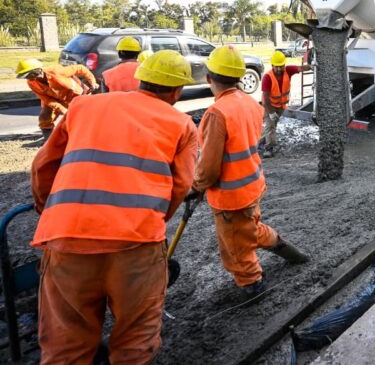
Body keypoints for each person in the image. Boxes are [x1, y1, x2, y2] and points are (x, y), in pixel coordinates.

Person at [30, 49, 198, 364]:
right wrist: (150, 220)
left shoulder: (83, 106)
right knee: (135, 342)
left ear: (141, 79)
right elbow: (180, 186)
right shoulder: (182, 124)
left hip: (67, 239)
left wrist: (49, 211)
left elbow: (43, 167)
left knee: (65, 346)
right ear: (177, 91)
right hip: (136, 246)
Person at [190, 45, 309, 298]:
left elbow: (209, 166)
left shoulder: (216, 113)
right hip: (252, 185)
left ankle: (251, 283)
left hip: (230, 196)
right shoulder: (249, 103)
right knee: (250, 228)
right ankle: (286, 249)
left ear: (209, 78)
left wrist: (196, 187)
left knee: (236, 246)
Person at [16, 58, 98, 141]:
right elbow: (46, 99)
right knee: (45, 118)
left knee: (83, 117)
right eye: (26, 76)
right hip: (55, 100)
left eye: (28, 75)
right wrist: (62, 109)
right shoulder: (32, 83)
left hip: (76, 96)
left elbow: (80, 68)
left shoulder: (56, 71)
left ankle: (88, 137)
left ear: (37, 70)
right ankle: (49, 141)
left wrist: (92, 82)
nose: (28, 78)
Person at [260, 50, 310, 157]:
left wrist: (312, 66)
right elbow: (266, 98)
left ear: (284, 64)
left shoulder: (288, 70)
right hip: (269, 106)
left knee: (272, 126)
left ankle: (262, 140)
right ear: (272, 65)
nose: (279, 69)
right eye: (276, 66)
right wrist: (271, 112)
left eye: (281, 66)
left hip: (281, 106)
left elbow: (301, 68)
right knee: (270, 126)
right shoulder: (267, 78)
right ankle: (269, 149)